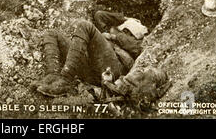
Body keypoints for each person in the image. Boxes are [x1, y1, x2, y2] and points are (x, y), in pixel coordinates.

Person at [32, 10, 169, 101]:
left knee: (85, 26)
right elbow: (99, 15)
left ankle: (65, 80)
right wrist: (122, 18)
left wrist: (114, 36)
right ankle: (52, 76)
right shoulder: (116, 28)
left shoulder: (137, 38)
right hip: (92, 68)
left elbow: (137, 48)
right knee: (51, 33)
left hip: (114, 69)